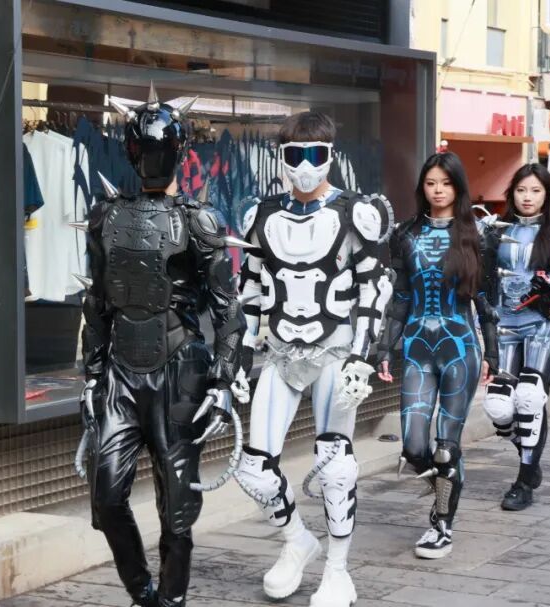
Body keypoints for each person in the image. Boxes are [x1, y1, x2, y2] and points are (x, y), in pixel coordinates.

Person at [72, 85, 247, 607]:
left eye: (161, 148)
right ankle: (144, 593)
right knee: (107, 499)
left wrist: (222, 382)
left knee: (177, 510)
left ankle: (171, 600)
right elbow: (97, 301)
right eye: (143, 148)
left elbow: (228, 310)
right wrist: (92, 376)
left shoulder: (198, 221)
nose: (152, 157)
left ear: (178, 151)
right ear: (131, 152)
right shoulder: (106, 217)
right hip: (120, 374)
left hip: (180, 373)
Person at [236, 111, 393, 607]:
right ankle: (296, 540)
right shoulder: (261, 215)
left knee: (335, 466)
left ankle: (338, 571)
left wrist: (361, 357)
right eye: (295, 154)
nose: (305, 165)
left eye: (315, 154)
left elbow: (374, 288)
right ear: (281, 158)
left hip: (336, 349)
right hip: (281, 351)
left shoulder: (354, 212)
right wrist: (239, 356)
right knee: (253, 468)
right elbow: (250, 291)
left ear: (330, 155)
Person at [376, 152, 500, 559]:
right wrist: (383, 347)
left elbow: (486, 301)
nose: (438, 190)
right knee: (414, 447)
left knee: (447, 446)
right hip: (415, 348)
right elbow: (399, 297)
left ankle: (442, 524)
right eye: (430, 183)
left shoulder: (479, 235)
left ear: (458, 187)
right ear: (422, 187)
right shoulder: (404, 234)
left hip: (460, 347)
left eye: (445, 183)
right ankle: (447, 484)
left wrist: (493, 354)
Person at [480, 163, 550, 511]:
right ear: (512, 193)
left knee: (529, 398)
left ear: (547, 195)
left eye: (536, 191)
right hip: (502, 326)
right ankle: (530, 454)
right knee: (498, 407)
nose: (528, 197)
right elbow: (482, 282)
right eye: (522, 190)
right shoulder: (493, 229)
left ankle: (524, 480)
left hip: (542, 324)